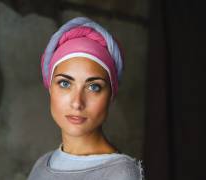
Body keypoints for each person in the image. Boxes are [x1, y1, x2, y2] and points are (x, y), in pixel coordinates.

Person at [27, 17, 144, 180]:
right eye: (65, 83)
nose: (77, 103)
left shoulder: (120, 173)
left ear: (111, 95)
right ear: (49, 87)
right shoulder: (42, 165)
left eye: (94, 87)